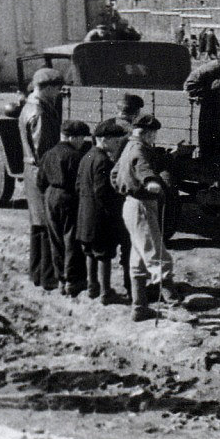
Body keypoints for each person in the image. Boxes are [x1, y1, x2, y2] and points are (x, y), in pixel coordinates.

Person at [114, 114, 183, 321]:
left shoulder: (127, 146)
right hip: (143, 206)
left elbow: (114, 173)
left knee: (138, 258)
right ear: (147, 133)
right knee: (158, 256)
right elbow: (144, 170)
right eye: (154, 134)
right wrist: (151, 183)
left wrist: (128, 187)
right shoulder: (139, 150)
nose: (155, 138)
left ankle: (139, 306)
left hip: (131, 205)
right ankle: (175, 307)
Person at [77, 120, 131, 304]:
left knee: (91, 252)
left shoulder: (87, 156)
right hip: (101, 218)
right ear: (104, 140)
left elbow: (79, 185)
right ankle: (106, 293)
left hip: (86, 215)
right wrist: (119, 203)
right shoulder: (103, 161)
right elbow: (102, 192)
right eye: (115, 141)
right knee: (104, 254)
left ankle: (93, 288)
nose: (117, 145)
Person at [19, 67, 64, 291]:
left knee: (37, 225)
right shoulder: (41, 112)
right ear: (45, 88)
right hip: (41, 173)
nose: (58, 93)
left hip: (30, 171)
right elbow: (43, 150)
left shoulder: (28, 107)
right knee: (48, 226)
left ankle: (37, 273)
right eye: (56, 89)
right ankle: (49, 277)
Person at [37, 120, 91, 297]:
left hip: (50, 196)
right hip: (69, 198)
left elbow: (40, 182)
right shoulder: (76, 157)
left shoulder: (48, 154)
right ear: (72, 138)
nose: (82, 142)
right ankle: (73, 282)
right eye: (81, 138)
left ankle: (61, 280)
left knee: (56, 240)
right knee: (72, 240)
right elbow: (81, 184)